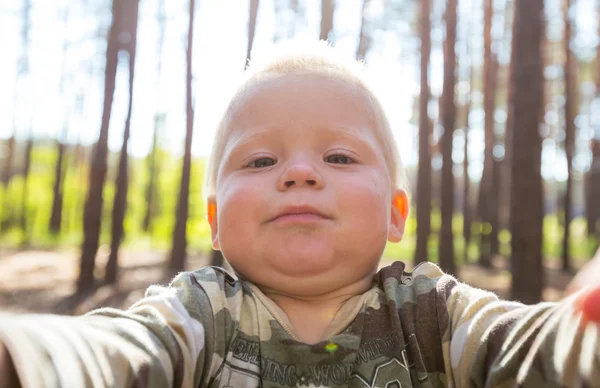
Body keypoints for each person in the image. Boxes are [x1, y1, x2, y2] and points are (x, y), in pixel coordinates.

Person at [1, 42, 599, 388]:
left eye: (338, 156)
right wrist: (22, 358)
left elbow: (530, 351)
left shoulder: (432, 315)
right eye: (261, 160)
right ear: (215, 218)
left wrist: (586, 327)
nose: (299, 173)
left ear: (396, 214)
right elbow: (114, 354)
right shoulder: (201, 313)